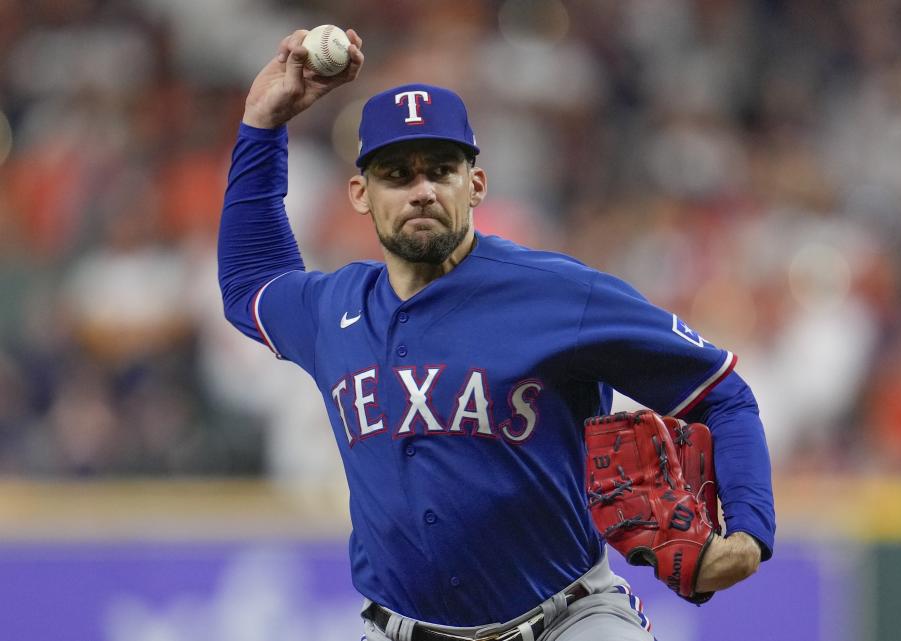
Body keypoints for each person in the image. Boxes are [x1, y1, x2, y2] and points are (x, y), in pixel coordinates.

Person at [219, 28, 775, 641]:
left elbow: (723, 391)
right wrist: (262, 124)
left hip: (570, 620)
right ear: (361, 194)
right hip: (402, 628)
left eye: (442, 169)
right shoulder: (332, 310)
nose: (422, 189)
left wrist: (748, 534)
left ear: (475, 185)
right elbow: (250, 281)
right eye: (397, 173)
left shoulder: (558, 294)